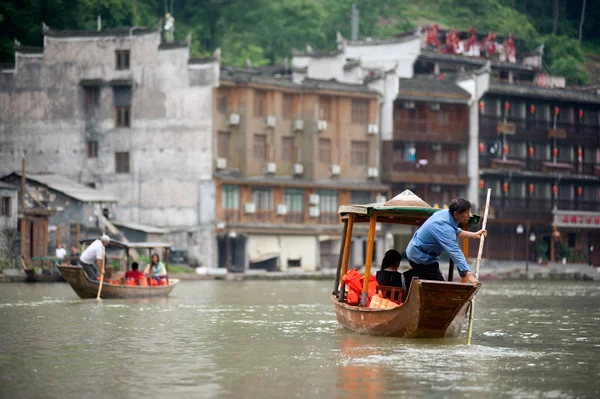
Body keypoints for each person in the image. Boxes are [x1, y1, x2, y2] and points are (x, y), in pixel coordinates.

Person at [404, 197, 486, 289]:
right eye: (466, 213)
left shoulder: (446, 214)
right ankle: (408, 277)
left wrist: (474, 235)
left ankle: (411, 276)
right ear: (456, 214)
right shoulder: (443, 226)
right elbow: (455, 252)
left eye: (469, 212)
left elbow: (455, 231)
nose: (469, 215)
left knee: (433, 282)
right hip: (419, 255)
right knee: (441, 287)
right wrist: (469, 275)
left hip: (423, 254)